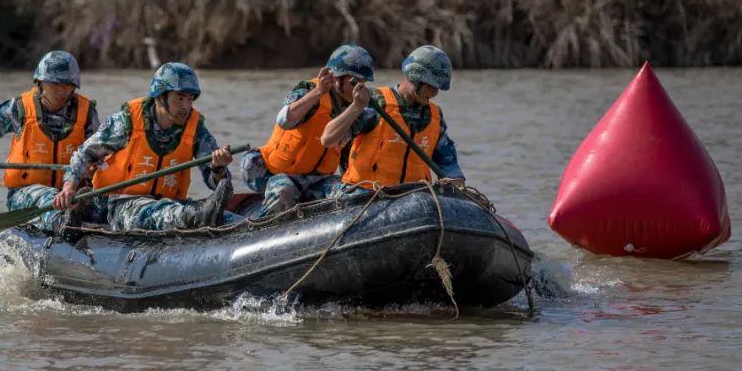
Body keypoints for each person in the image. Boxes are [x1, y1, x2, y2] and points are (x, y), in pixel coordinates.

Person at [52, 62, 235, 231]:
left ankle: (202, 217)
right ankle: (195, 218)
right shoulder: (127, 122)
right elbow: (84, 154)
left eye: (190, 99)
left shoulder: (195, 128)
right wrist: (69, 188)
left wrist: (218, 168)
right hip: (119, 204)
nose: (186, 107)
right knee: (151, 211)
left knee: (212, 214)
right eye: (179, 98)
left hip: (169, 202)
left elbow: (215, 183)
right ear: (161, 97)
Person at [0, 51, 98, 230]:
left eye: (67, 84)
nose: (62, 90)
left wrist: (94, 167)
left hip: (72, 193)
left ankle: (87, 219)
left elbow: (99, 152)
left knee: (99, 201)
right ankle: (65, 222)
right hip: (26, 193)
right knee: (48, 197)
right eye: (55, 83)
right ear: (41, 82)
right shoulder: (19, 109)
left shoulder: (87, 114)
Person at [239, 44, 376, 219]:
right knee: (284, 191)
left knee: (352, 194)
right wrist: (318, 92)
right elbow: (283, 120)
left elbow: (347, 157)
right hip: (280, 174)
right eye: (356, 81)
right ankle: (259, 225)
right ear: (337, 78)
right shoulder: (309, 92)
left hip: (318, 180)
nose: (360, 87)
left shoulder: (356, 109)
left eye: (363, 82)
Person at [323, 45, 465, 190]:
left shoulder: (434, 116)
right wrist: (356, 106)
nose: (435, 92)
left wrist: (456, 181)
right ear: (415, 78)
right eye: (431, 86)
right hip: (366, 195)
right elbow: (328, 140)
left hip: (413, 198)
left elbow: (448, 163)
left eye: (438, 88)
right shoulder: (375, 102)